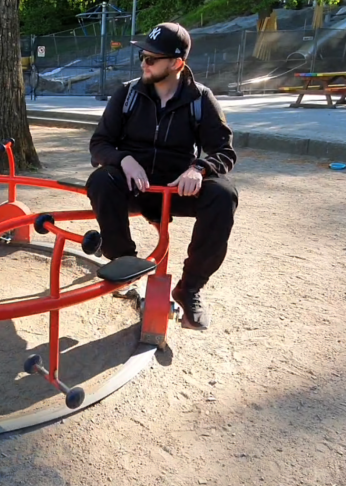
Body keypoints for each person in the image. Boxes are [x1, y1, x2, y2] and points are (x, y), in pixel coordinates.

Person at [87, 22, 239, 331]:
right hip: (134, 185)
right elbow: (99, 143)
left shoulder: (200, 99)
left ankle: (190, 287)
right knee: (102, 179)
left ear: (176, 63)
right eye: (142, 56)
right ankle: (122, 262)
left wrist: (199, 169)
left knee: (223, 195)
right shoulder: (127, 94)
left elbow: (224, 150)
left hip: (175, 188)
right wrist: (123, 159)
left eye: (152, 58)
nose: (144, 63)